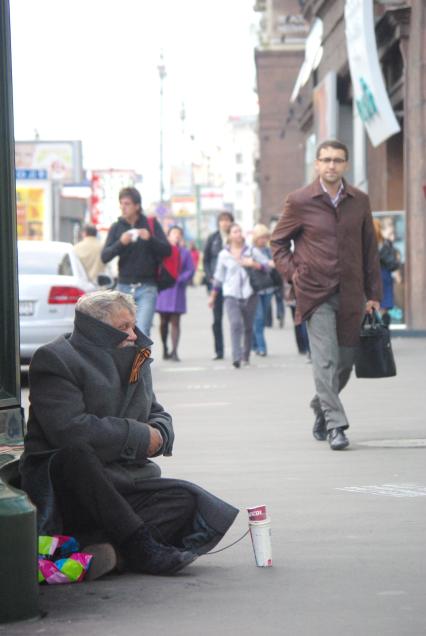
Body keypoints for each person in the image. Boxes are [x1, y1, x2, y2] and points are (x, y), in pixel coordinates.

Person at [19, 291, 238, 578]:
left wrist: (160, 433)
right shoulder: (55, 359)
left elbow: (156, 411)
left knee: (187, 499)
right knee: (76, 454)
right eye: (124, 327)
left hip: (123, 483)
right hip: (75, 486)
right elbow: (70, 431)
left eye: (133, 325)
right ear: (97, 329)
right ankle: (139, 547)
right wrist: (138, 437)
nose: (133, 334)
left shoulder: (134, 356)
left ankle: (104, 550)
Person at [271, 139, 382, 451]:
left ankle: (320, 406)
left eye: (337, 160)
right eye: (326, 160)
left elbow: (369, 249)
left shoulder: (359, 200)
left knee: (345, 362)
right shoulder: (300, 200)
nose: (331, 165)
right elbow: (278, 243)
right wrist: (294, 273)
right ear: (317, 164)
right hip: (314, 293)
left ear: (345, 164)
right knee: (325, 360)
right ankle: (336, 425)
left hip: (352, 293)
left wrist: (374, 294)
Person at [101, 187, 171, 337]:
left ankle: (140, 362)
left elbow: (167, 250)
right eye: (121, 203)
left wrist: (150, 239)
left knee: (142, 331)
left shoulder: (151, 224)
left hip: (147, 287)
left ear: (137, 206)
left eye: (127, 203)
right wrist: (121, 242)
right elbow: (104, 256)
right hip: (123, 287)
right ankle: (128, 361)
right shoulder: (116, 227)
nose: (123, 207)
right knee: (122, 333)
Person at [208, 223, 270, 369]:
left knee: (248, 326)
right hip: (231, 294)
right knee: (236, 324)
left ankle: (245, 355)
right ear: (229, 235)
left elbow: (267, 265)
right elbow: (218, 277)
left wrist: (254, 264)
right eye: (235, 231)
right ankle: (236, 357)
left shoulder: (252, 251)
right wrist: (212, 296)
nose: (238, 234)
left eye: (239, 231)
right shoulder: (224, 255)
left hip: (250, 293)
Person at [156, 226, 195, 361]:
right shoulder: (162, 251)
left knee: (176, 321)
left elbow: (190, 269)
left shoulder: (185, 253)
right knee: (163, 321)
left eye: (179, 234)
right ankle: (165, 347)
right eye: (174, 233)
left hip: (178, 290)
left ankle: (175, 351)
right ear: (168, 236)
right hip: (164, 290)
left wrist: (180, 279)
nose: (177, 236)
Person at [203, 211, 234, 360]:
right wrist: (210, 277)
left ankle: (239, 349)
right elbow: (206, 260)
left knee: (236, 318)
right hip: (216, 284)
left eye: (227, 220)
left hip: (233, 284)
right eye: (222, 220)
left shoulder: (236, 237)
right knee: (217, 319)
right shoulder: (213, 238)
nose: (225, 223)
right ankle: (219, 350)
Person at [250, 224, 277, 357]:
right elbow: (269, 264)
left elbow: (272, 266)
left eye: (266, 237)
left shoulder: (269, 250)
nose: (264, 240)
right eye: (262, 237)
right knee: (259, 318)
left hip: (268, 287)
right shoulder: (250, 251)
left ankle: (254, 344)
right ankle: (261, 347)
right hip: (255, 288)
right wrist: (267, 265)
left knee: (261, 318)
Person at [373, 218, 400, 328]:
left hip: (383, 278)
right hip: (381, 278)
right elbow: (392, 263)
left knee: (383, 308)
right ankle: (381, 333)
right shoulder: (381, 245)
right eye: (390, 233)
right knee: (381, 307)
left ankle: (382, 334)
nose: (392, 237)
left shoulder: (384, 244)